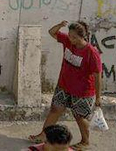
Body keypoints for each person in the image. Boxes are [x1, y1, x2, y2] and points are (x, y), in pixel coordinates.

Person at [30, 21, 101, 150]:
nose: (71, 39)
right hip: (64, 85)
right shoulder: (68, 41)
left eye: (74, 37)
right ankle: (44, 135)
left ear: (82, 37)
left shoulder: (91, 52)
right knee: (55, 110)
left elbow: (97, 76)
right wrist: (60, 25)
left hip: (82, 91)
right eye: (70, 35)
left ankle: (85, 141)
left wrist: (98, 97)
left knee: (80, 117)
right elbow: (52, 32)